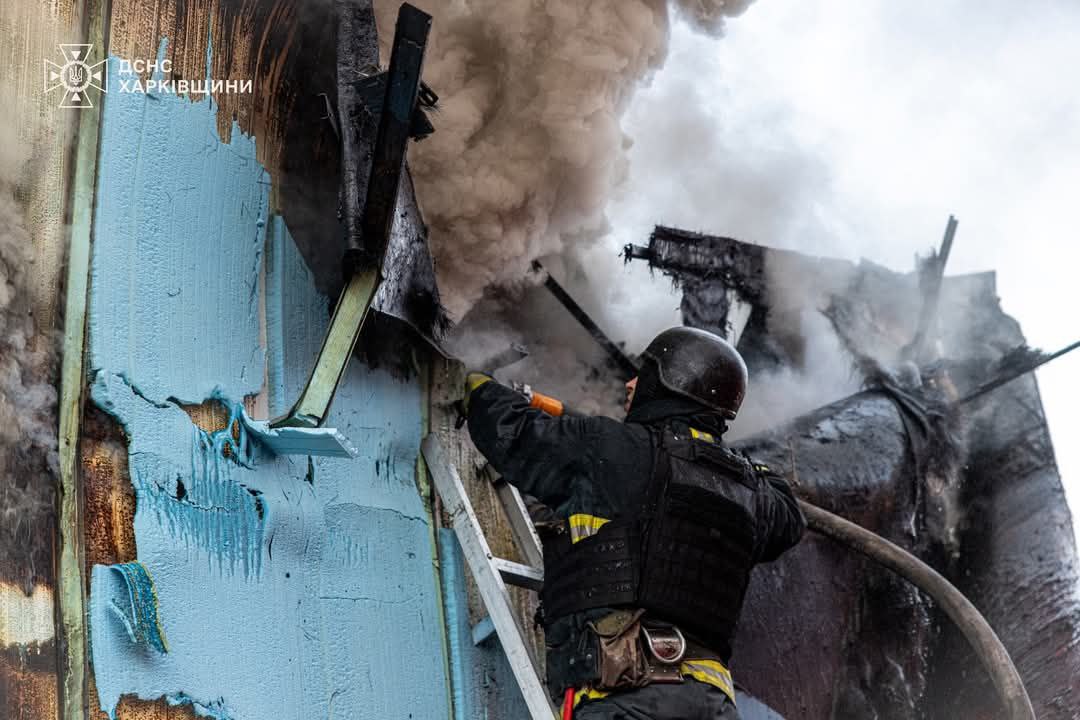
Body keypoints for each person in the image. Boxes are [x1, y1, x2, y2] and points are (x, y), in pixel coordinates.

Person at [463, 326, 806, 719]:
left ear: (669, 384)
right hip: (712, 706)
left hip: (624, 699)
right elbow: (789, 515)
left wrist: (479, 386)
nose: (630, 384)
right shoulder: (753, 492)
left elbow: (514, 432)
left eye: (643, 375)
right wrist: (729, 461)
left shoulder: (612, 449)